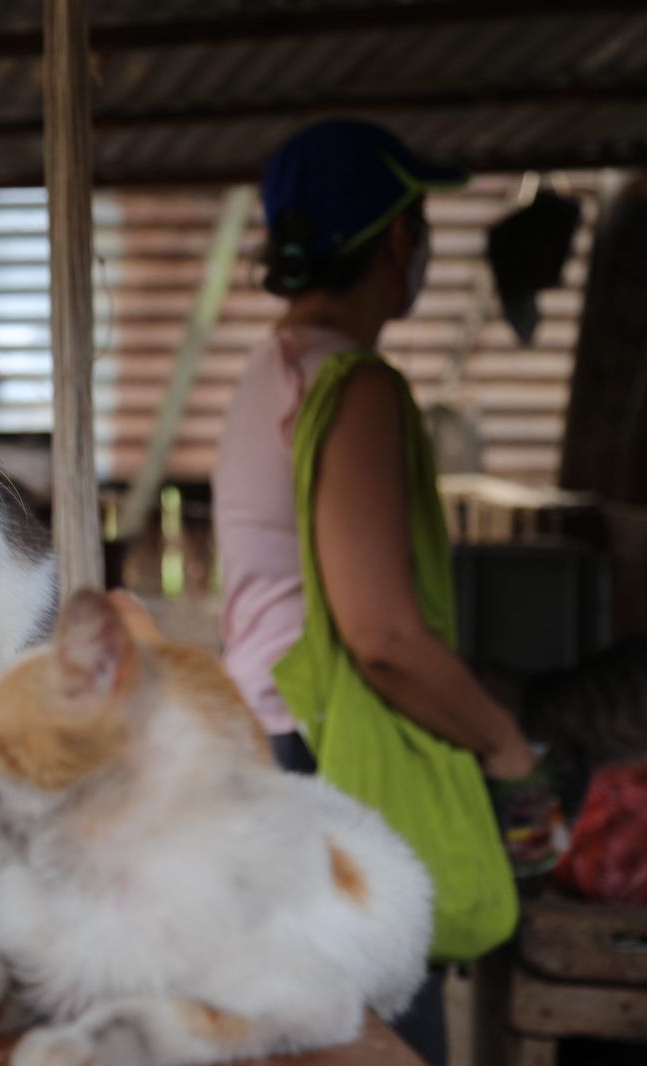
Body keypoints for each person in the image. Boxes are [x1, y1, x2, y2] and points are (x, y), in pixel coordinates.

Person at [211, 119, 560, 1066]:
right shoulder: (355, 390)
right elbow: (382, 639)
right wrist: (502, 741)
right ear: (401, 238)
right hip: (326, 765)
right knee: (383, 1045)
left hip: (264, 745)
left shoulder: (270, 372)